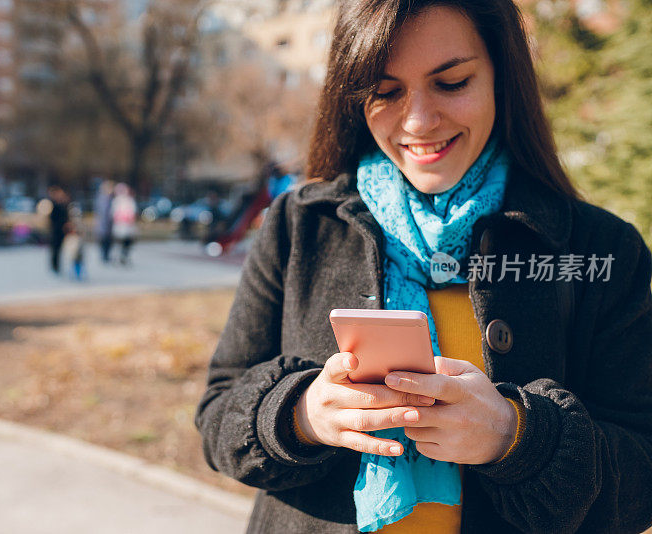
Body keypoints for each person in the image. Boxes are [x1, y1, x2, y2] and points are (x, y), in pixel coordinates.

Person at [195, 1, 652, 533]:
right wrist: (301, 415)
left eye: (452, 82)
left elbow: (641, 476)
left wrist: (516, 436)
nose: (417, 121)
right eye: (385, 92)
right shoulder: (299, 225)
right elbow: (216, 418)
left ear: (502, 78)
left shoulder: (601, 247)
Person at [111, 183, 137, 266]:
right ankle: (118, 257)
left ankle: (124, 257)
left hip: (127, 226)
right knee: (119, 243)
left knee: (126, 243)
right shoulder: (117, 201)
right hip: (120, 226)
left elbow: (133, 214)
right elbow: (113, 214)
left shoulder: (129, 200)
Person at [47, 186, 70, 274]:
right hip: (56, 231)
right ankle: (55, 267)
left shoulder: (63, 205)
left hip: (61, 231)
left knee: (59, 250)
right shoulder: (55, 206)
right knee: (55, 250)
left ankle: (57, 266)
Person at [94, 179, 115, 263]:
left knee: (108, 240)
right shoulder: (102, 198)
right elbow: (101, 212)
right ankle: (104, 255)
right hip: (104, 223)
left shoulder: (111, 198)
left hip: (108, 223)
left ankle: (106, 255)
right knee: (104, 239)